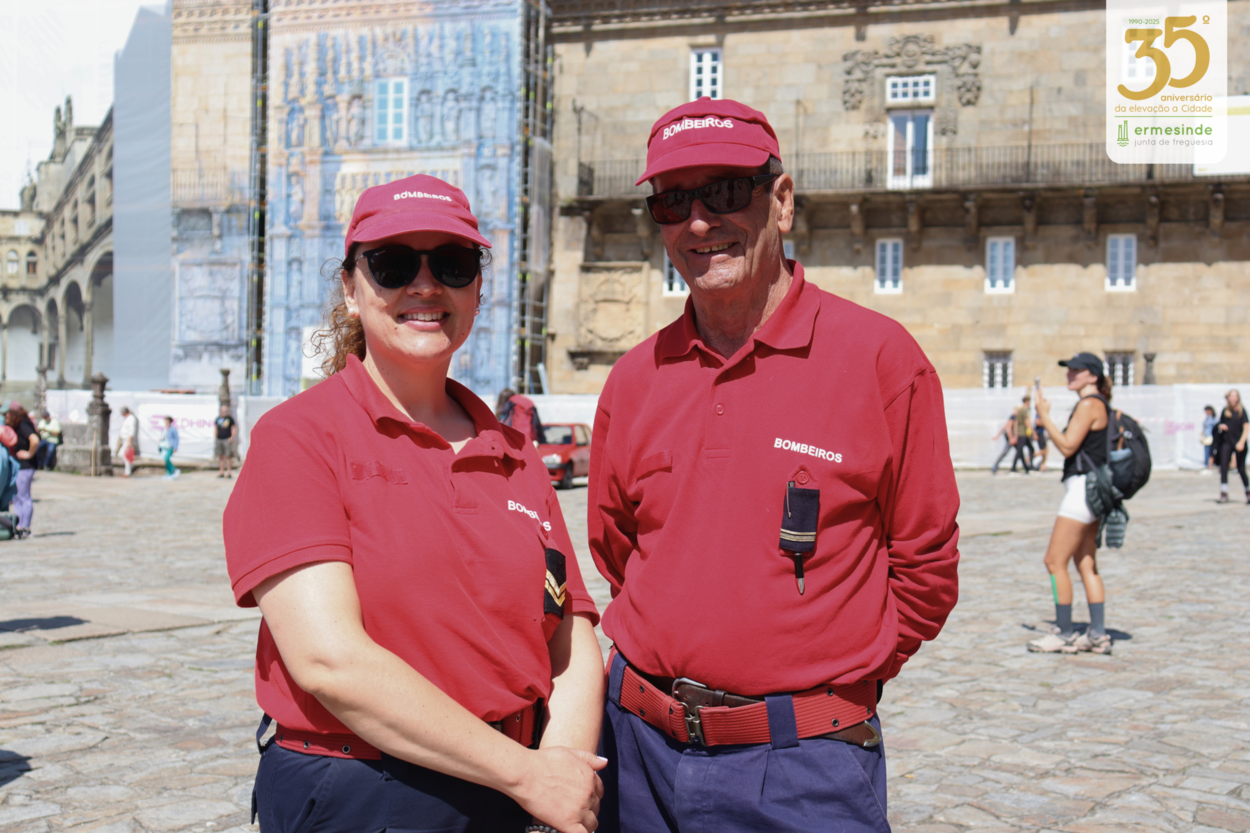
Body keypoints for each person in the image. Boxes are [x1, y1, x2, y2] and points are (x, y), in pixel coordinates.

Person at [588, 97, 960, 833]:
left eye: (726, 192)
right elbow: (618, 550)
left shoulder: (879, 359)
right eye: (672, 202)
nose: (699, 222)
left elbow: (925, 567)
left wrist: (822, 684)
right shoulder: (634, 378)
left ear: (781, 200)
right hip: (638, 754)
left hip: (803, 768)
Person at [224, 174, 606, 833]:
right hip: (370, 791)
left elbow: (570, 637)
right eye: (394, 264)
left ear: (477, 290)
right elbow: (329, 661)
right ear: (351, 288)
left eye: (452, 264)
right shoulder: (300, 437)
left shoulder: (514, 453)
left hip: (518, 792)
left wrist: (562, 771)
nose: (426, 286)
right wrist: (527, 776)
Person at [1027, 352, 1113, 655]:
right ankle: (1098, 634)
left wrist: (1044, 415)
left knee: (1054, 561)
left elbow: (1067, 446)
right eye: (1069, 369)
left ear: (1093, 376)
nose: (1070, 374)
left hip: (1081, 492)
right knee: (1086, 563)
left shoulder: (1089, 404)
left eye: (1077, 370)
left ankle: (1064, 633)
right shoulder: (1099, 404)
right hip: (1094, 493)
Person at [4, 402, 39, 539]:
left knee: (24, 497)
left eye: (7, 413)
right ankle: (18, 526)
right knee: (17, 497)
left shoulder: (23, 423)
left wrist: (29, 454)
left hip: (25, 466)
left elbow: (34, 439)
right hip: (20, 466)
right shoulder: (18, 423)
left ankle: (25, 527)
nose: (5, 416)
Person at [1214, 389, 1249, 503]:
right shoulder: (1225, 411)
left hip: (1239, 442)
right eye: (1231, 396)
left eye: (1235, 396)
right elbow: (1220, 423)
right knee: (1224, 467)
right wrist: (1221, 426)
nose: (1233, 398)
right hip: (1227, 442)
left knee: (1241, 469)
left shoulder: (1241, 411)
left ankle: (1248, 492)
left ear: (1238, 398)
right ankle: (1224, 492)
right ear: (1228, 398)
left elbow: (1246, 427)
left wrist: (1241, 442)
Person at [1010, 393, 1034, 474]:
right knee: (1020, 450)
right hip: (1023, 433)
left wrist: (1015, 434)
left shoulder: (1020, 410)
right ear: (1027, 401)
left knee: (1025, 449)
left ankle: (1027, 467)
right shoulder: (1024, 410)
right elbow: (1027, 422)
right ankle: (1015, 467)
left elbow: (1016, 423)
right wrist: (1033, 432)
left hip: (1022, 433)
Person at [214, 404, 237, 479]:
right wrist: (216, 438)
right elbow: (216, 428)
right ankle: (221, 472)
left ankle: (229, 472)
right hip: (219, 439)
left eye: (226, 410)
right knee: (221, 456)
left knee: (228, 456)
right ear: (220, 411)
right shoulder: (218, 419)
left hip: (227, 439)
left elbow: (234, 428)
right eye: (224, 410)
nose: (225, 412)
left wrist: (232, 437)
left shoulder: (230, 419)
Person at [116, 406, 139, 477]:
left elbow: (132, 430)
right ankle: (131, 467)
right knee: (121, 454)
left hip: (128, 440)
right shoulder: (128, 418)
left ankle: (128, 472)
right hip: (125, 439)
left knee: (126, 455)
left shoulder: (131, 418)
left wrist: (129, 441)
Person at [1201, 405, 1218, 471]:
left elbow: (1216, 427)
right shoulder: (1207, 418)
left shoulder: (1214, 419)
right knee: (1206, 451)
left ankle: (1209, 466)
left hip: (1211, 437)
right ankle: (1206, 465)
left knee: (1210, 452)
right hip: (1206, 437)